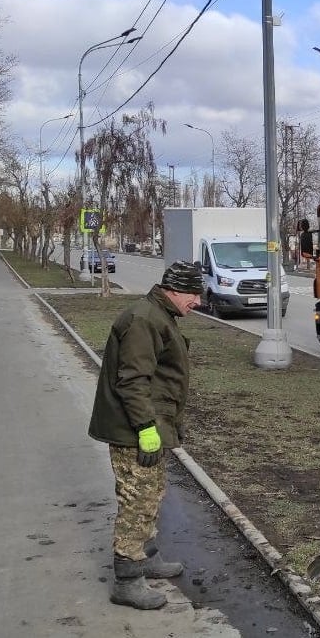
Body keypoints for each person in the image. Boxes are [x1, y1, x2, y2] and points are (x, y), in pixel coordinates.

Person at [88, 260, 204, 609]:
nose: (197, 301)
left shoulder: (159, 315)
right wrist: (146, 429)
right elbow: (133, 381)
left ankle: (146, 556)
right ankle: (127, 580)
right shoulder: (144, 319)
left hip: (149, 425)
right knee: (136, 501)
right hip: (133, 430)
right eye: (193, 293)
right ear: (174, 289)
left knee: (151, 494)